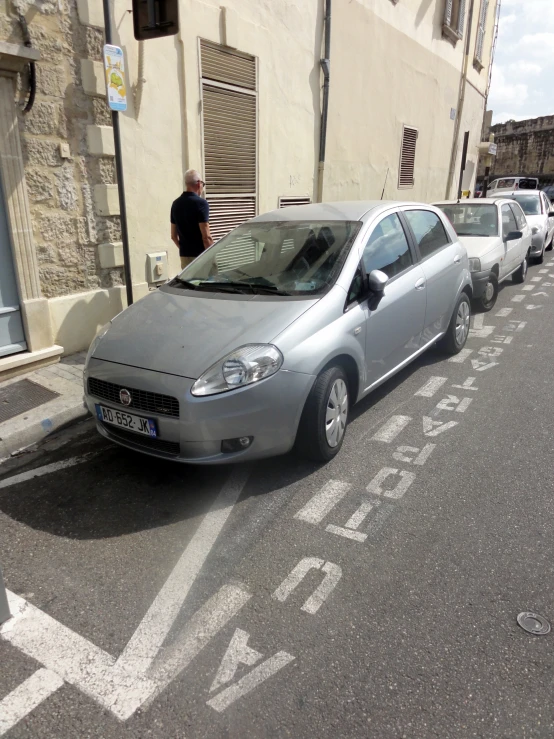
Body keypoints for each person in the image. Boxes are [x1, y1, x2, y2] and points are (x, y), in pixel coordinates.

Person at [170, 169, 214, 269]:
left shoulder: (175, 204)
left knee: (189, 284)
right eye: (203, 184)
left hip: (184, 257)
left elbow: (173, 236)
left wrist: (184, 249)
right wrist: (212, 255)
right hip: (202, 256)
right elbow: (206, 237)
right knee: (208, 283)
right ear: (199, 184)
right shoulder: (201, 203)